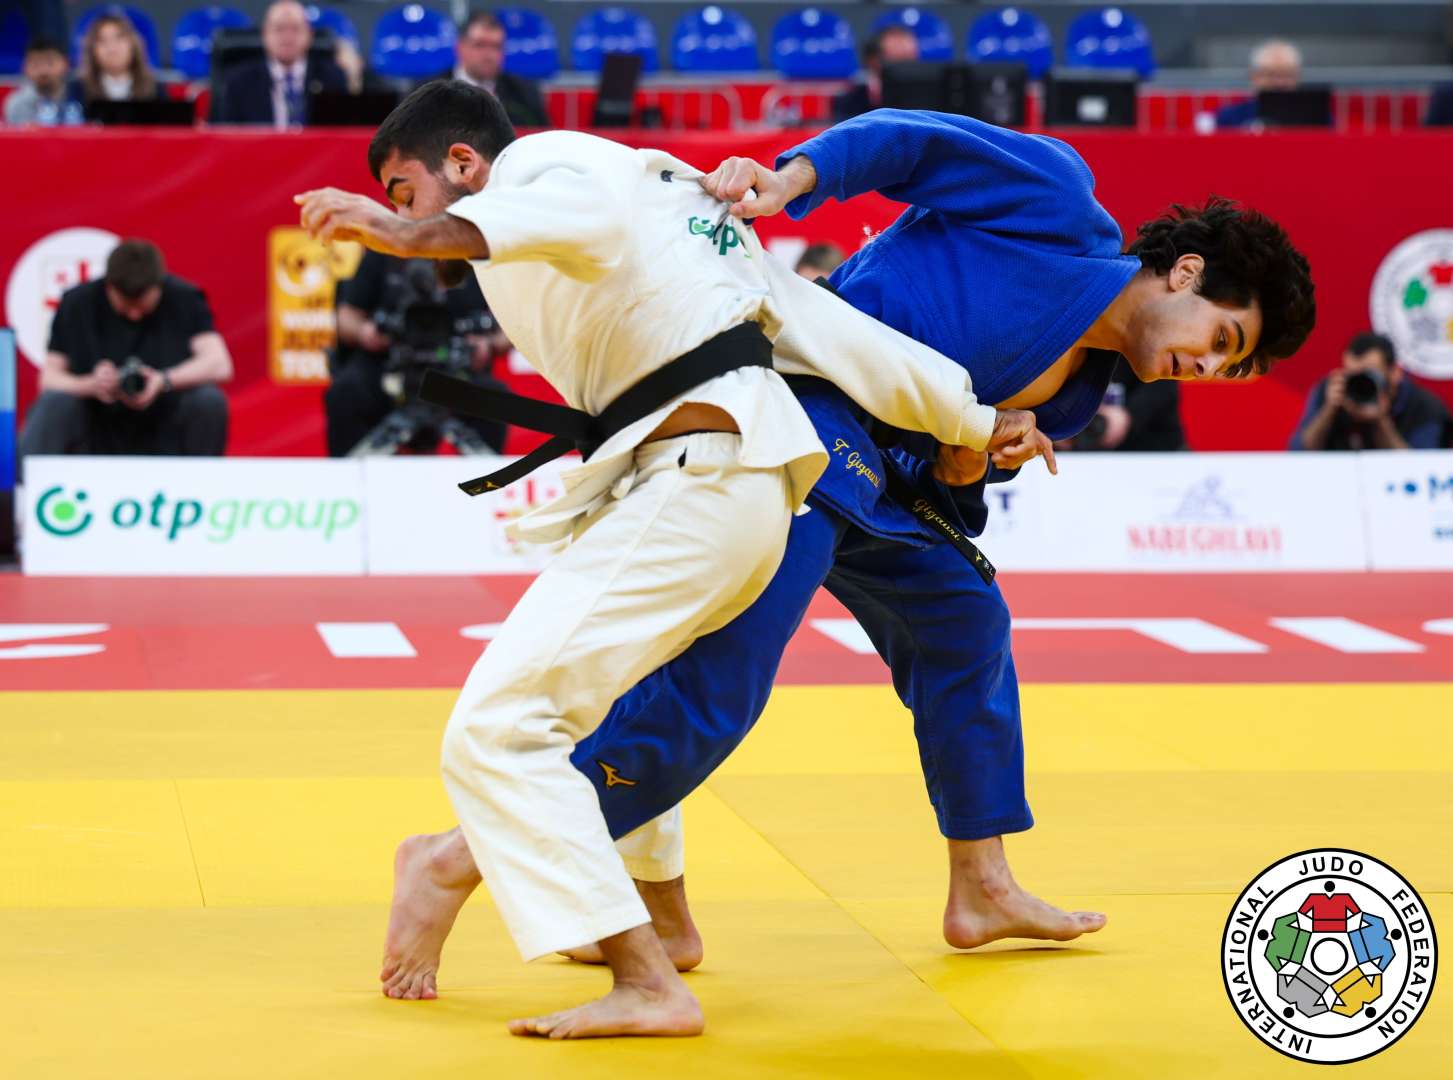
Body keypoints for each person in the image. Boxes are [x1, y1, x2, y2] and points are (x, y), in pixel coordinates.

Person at [371, 110, 1317, 996]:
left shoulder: (1075, 396)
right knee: (719, 683)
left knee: (964, 620)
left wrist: (966, 461)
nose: (1205, 367)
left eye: (1227, 368)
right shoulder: (1058, 206)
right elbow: (909, 143)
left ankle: (982, 887)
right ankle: (456, 859)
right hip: (805, 414)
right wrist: (795, 179)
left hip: (886, 483)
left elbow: (954, 489)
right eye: (1220, 338)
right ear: (1184, 273)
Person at [296, 85, 1050, 1038]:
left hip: (697, 484)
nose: (397, 212)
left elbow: (532, 213)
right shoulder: (673, 199)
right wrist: (973, 417)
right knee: (624, 693)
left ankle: (629, 971)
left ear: (462, 164)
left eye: (402, 190)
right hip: (746, 485)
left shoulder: (547, 168)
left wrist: (402, 235)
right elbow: (824, 328)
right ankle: (664, 919)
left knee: (498, 732)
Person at [18, 239, 232, 461]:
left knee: (208, 401)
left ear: (159, 286)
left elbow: (220, 364)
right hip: (97, 428)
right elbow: (49, 379)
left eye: (142, 306)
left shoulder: (185, 298)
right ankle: (22, 480)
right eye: (125, 305)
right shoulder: (77, 303)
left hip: (164, 425)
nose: (134, 315)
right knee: (54, 403)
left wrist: (163, 380)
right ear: (108, 287)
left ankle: (201, 478)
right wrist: (92, 384)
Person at [325, 249, 509, 456]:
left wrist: (489, 344)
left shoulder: (472, 253)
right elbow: (346, 317)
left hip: (456, 370)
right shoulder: (384, 250)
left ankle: (488, 476)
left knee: (495, 399)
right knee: (346, 393)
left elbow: (512, 328)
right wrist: (364, 332)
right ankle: (347, 475)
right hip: (388, 367)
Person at [1290, 331, 1448, 450]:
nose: (1361, 384)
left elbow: (1421, 470)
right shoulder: (1331, 392)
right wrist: (1329, 410)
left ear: (1395, 373)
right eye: (1354, 376)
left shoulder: (1424, 408)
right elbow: (1298, 453)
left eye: (1369, 374)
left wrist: (1381, 421)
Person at [211, 0, 346, 127]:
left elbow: (342, 133)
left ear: (309, 35)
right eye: (279, 29)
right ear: (265, 34)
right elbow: (225, 135)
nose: (287, 37)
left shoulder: (332, 78)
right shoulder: (239, 82)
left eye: (295, 29)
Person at [433, 11, 548, 128]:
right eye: (480, 45)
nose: (489, 55)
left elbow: (541, 135)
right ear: (460, 47)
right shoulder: (432, 93)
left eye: (496, 47)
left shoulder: (524, 94)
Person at [1066, 356, 1186, 452]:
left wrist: (1129, 415)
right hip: (1070, 454)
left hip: (1151, 452)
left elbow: (1162, 388)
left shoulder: (1157, 353)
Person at [831, 25, 919, 122]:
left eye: (910, 59)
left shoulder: (925, 98)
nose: (907, 68)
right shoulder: (850, 102)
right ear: (873, 61)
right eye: (898, 61)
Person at [76, 10, 160, 107]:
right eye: (102, 40)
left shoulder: (156, 89)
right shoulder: (78, 91)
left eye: (119, 38)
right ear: (92, 50)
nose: (112, 48)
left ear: (133, 44)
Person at [1213, 39, 1302, 130]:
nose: (1279, 83)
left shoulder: (1309, 117)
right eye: (1271, 75)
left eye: (1287, 75)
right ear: (1254, 77)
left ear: (1297, 77)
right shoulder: (1230, 118)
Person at [3, 36, 83, 126]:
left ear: (66, 63)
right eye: (36, 64)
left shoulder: (83, 94)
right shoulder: (16, 104)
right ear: (25, 67)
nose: (43, 70)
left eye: (50, 63)